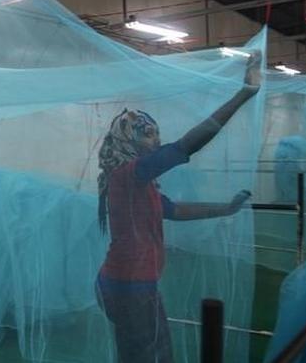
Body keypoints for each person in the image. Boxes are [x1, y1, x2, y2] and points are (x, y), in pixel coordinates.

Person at [95, 52, 261, 363]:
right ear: (127, 140)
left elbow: (176, 210)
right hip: (129, 286)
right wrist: (244, 94)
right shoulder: (130, 175)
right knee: (152, 355)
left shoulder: (135, 182)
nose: (156, 140)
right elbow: (188, 145)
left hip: (125, 284)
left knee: (140, 353)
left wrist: (225, 208)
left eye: (157, 132)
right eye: (148, 134)